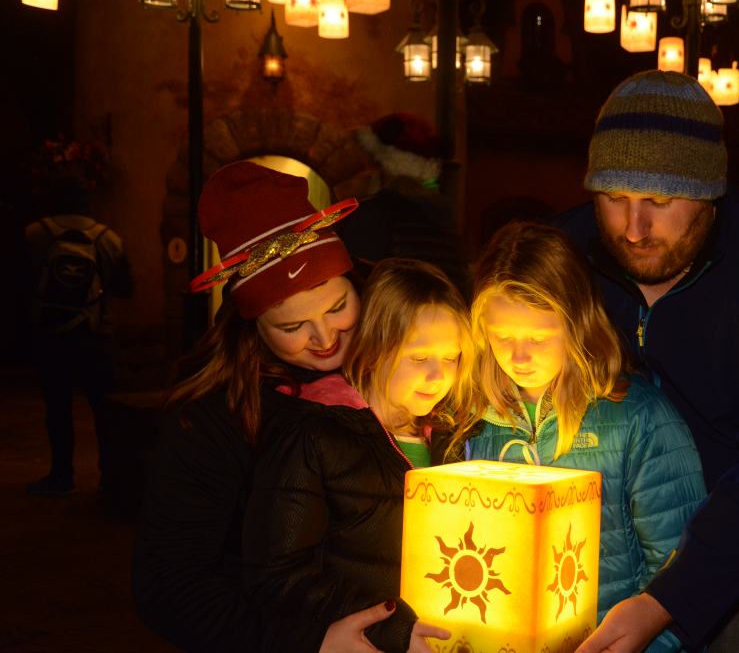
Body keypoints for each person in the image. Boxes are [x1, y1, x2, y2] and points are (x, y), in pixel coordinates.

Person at [557, 70, 739, 652]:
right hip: (597, 532)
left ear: (711, 194)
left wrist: (671, 599)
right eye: (613, 198)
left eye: (660, 201)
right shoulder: (563, 251)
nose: (633, 229)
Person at [132, 162, 447, 653]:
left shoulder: (411, 342)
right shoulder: (213, 416)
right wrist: (307, 641)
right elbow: (169, 585)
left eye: (338, 307)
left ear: (354, 280)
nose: (324, 339)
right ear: (253, 324)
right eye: (291, 327)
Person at [461, 221, 707, 652]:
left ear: (577, 324)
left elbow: (680, 574)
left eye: (539, 338)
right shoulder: (472, 421)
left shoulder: (638, 418)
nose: (519, 356)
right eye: (502, 337)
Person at [241, 258, 477, 650]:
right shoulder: (316, 434)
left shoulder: (452, 439)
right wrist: (390, 625)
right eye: (419, 358)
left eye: (451, 358)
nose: (439, 376)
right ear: (373, 347)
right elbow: (277, 573)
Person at [24, 174, 133, 496]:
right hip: (94, 335)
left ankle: (61, 475)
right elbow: (124, 288)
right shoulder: (108, 238)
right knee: (103, 410)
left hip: (52, 335)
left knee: (57, 409)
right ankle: (109, 476)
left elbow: (22, 281)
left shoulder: (36, 234)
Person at [339, 112, 470, 297]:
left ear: (381, 168)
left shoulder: (371, 214)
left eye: (364, 168)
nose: (359, 176)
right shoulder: (444, 220)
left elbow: (358, 284)